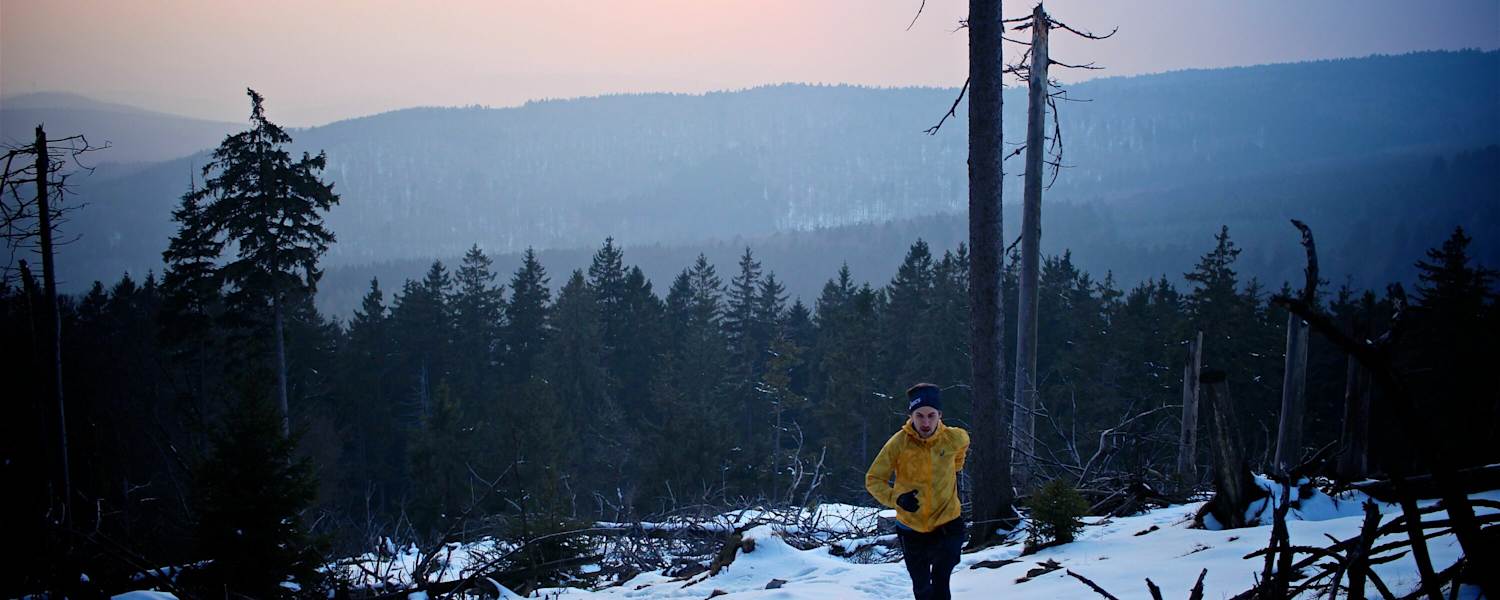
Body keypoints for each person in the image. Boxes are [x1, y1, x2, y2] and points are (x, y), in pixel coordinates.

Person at [865, 383, 970, 600]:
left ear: (940, 415)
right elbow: (873, 479)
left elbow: (961, 451)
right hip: (911, 526)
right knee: (922, 588)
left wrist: (956, 465)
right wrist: (897, 499)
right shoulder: (898, 443)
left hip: (947, 521)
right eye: (919, 415)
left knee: (941, 581)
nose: (925, 422)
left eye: (931, 415)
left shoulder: (954, 438)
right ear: (911, 415)